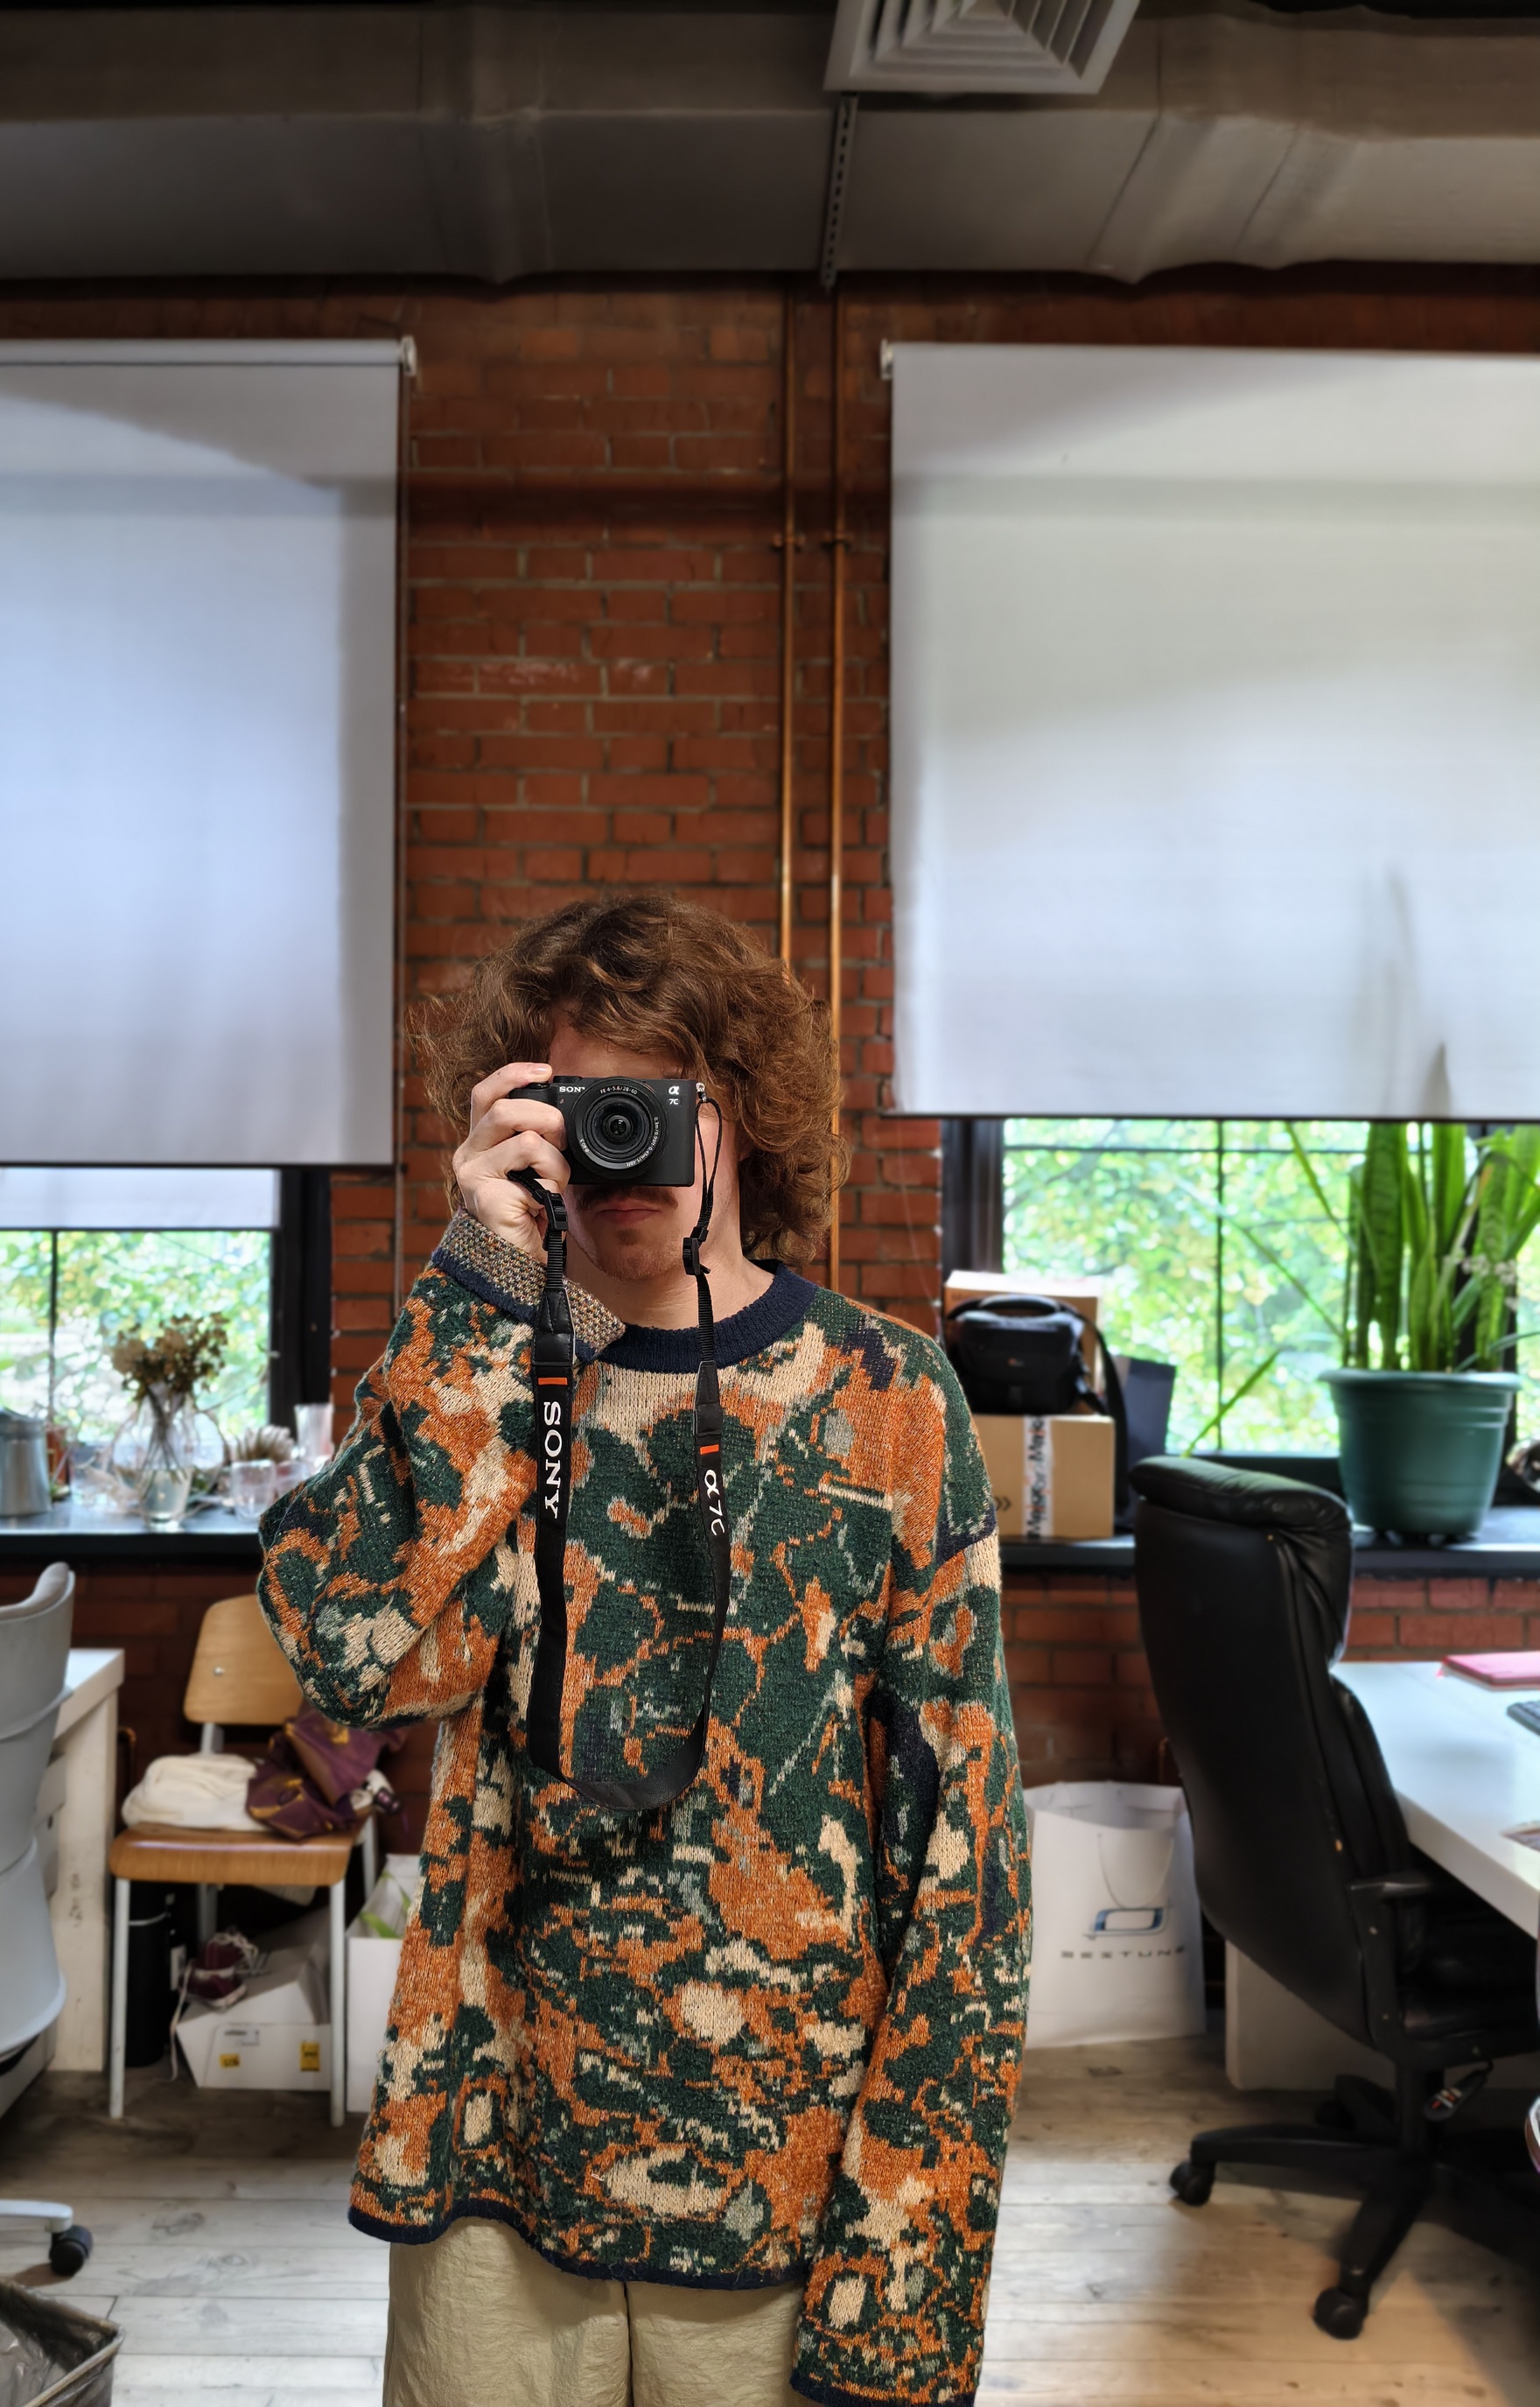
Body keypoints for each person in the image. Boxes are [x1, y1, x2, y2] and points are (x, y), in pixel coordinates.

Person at [258, 890, 1028, 2407]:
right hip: (495, 2155)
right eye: (579, 1107)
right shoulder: (488, 1371)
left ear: (745, 1113)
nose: (627, 1146)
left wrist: (903, 2272)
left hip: (785, 2173)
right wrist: (479, 1285)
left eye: (663, 1101)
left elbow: (967, 1855)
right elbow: (350, 1655)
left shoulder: (890, 1398)